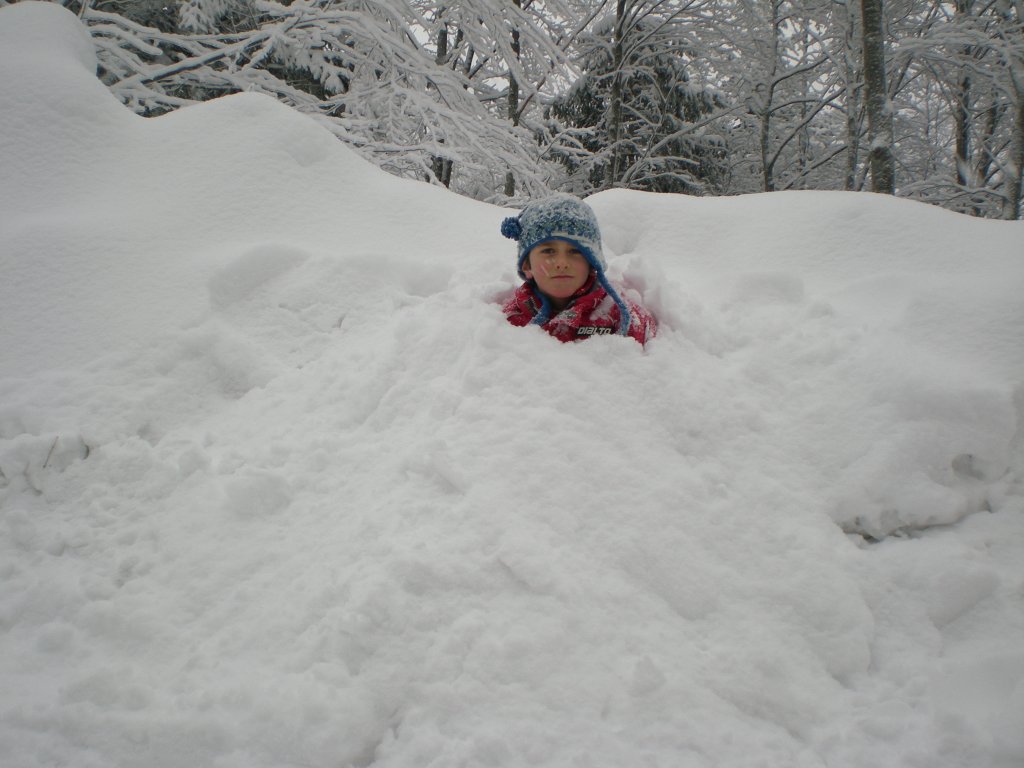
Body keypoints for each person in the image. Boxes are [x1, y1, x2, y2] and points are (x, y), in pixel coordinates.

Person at [500, 193, 656, 346]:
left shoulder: (618, 314)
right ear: (527, 265)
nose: (562, 263)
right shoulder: (513, 315)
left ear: (592, 262)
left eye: (575, 251)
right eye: (548, 251)